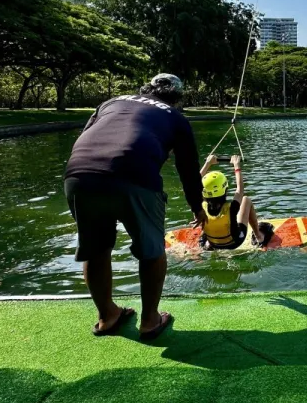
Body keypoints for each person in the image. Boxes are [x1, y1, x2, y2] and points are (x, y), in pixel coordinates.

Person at [64, 73, 206, 340]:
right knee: (151, 249)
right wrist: (197, 207)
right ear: (177, 99)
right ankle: (150, 320)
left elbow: (87, 136)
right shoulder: (176, 117)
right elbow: (187, 169)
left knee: (95, 248)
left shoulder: (111, 102)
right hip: (135, 175)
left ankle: (108, 316)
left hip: (79, 174)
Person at [198, 154, 273, 249]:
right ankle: (259, 236)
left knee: (202, 216)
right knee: (246, 200)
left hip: (214, 243)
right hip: (235, 242)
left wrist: (207, 163)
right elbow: (240, 189)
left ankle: (208, 242)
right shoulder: (231, 208)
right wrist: (236, 165)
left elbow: (192, 187)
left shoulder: (199, 206)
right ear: (225, 189)